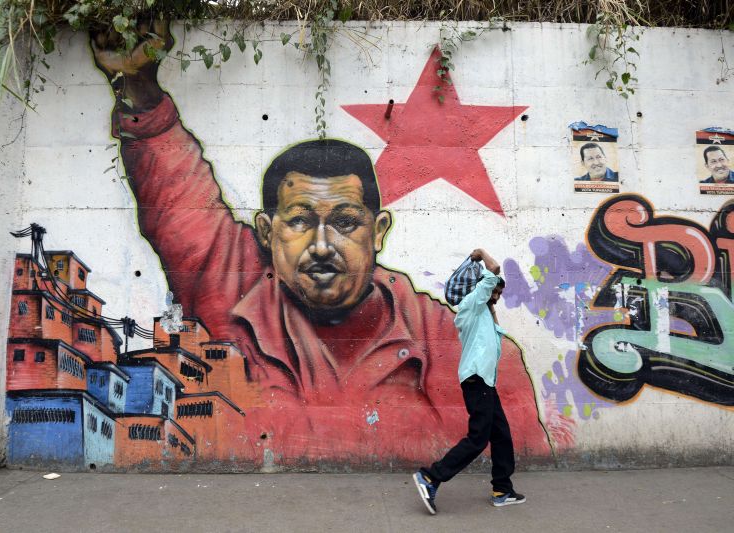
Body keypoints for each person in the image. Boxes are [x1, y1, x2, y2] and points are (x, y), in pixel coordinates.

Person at [90, 24, 552, 462]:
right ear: (267, 232)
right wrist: (138, 86)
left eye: (346, 222)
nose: (323, 245)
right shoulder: (230, 284)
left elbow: (513, 448)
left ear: (379, 230)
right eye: (300, 221)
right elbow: (176, 198)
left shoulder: (448, 343)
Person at [413, 249, 524, 514]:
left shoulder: (482, 312)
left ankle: (502, 489)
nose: (497, 297)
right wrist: (480, 254)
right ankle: (430, 477)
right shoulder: (471, 304)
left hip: (485, 383)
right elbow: (493, 270)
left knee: (501, 435)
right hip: (477, 381)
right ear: (482, 288)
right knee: (478, 438)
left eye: (499, 294)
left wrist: (492, 304)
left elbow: (495, 330)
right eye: (495, 292)